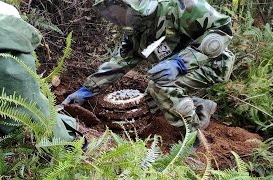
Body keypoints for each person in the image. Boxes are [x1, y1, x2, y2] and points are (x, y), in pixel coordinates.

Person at [62, 0, 235, 133]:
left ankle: (192, 135)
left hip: (212, 64)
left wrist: (180, 64)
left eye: (120, 14)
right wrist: (87, 89)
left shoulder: (180, 6)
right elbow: (122, 61)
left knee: (158, 86)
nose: (117, 19)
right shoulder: (137, 30)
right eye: (113, 16)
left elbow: (221, 29)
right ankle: (200, 106)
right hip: (181, 66)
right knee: (151, 103)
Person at [0, 1, 78, 142]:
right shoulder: (18, 59)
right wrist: (72, 137)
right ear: (18, 26)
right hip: (5, 142)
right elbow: (34, 112)